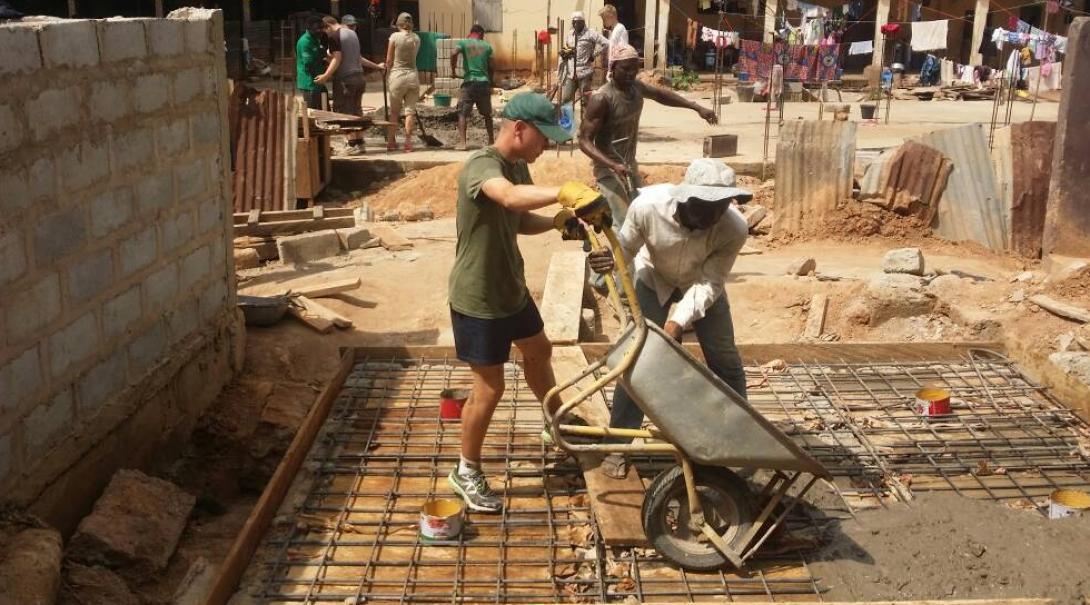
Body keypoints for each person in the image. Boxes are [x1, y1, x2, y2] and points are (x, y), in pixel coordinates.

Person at [446, 92, 610, 513]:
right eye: (543, 138)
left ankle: (557, 422)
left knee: (539, 351)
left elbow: (518, 218)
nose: (546, 148)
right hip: (479, 297)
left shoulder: (516, 166)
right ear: (519, 129)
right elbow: (508, 198)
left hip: (510, 290)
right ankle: (466, 469)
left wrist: (557, 222)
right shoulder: (483, 165)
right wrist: (563, 193)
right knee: (489, 388)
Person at [596, 159, 753, 479]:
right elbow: (625, 247)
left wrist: (675, 324)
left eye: (721, 207)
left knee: (725, 360)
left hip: (702, 285)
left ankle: (739, 437)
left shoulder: (734, 228)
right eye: (706, 207)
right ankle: (620, 443)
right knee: (636, 358)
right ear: (685, 196)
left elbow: (710, 283)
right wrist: (607, 265)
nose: (713, 216)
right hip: (654, 278)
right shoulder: (647, 207)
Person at [578, 43, 717, 290]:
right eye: (626, 69)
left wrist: (696, 108)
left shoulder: (636, 89)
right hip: (609, 171)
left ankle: (604, 278)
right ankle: (618, 286)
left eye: (635, 69)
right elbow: (584, 140)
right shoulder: (602, 98)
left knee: (637, 221)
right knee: (624, 225)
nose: (631, 74)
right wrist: (611, 165)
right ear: (613, 68)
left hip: (628, 166)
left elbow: (663, 95)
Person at [318, 16, 385, 155]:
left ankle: (352, 144)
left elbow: (337, 59)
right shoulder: (352, 34)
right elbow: (358, 58)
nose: (326, 34)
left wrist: (325, 76)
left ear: (328, 26)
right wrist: (377, 66)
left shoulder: (335, 37)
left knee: (344, 113)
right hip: (359, 78)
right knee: (356, 111)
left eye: (325, 31)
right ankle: (360, 144)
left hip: (345, 80)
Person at [451, 24, 495, 150]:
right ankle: (491, 141)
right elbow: (492, 66)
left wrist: (453, 70)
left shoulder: (464, 43)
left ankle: (463, 143)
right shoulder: (487, 46)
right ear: (481, 34)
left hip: (469, 83)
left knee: (462, 114)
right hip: (484, 83)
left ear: (471, 33)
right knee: (487, 115)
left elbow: (453, 53)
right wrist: (490, 81)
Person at [386, 12, 421, 152]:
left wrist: (387, 71)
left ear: (398, 24)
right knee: (410, 112)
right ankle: (408, 142)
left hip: (397, 76)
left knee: (394, 112)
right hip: (413, 76)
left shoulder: (394, 37)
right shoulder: (417, 38)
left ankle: (391, 142)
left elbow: (389, 59)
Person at [556, 12, 608, 106]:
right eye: (574, 22)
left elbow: (606, 43)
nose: (576, 24)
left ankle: (585, 120)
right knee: (566, 100)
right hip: (570, 74)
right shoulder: (570, 35)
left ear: (583, 22)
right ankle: (569, 120)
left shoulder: (590, 33)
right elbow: (566, 50)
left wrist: (594, 54)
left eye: (578, 22)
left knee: (585, 101)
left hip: (584, 73)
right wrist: (560, 72)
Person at [295, 14, 328, 110]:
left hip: (318, 80)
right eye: (317, 29)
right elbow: (309, 64)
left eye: (322, 28)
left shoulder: (316, 39)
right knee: (314, 112)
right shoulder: (305, 42)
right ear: (309, 29)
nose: (320, 31)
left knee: (325, 109)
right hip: (310, 83)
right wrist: (324, 75)